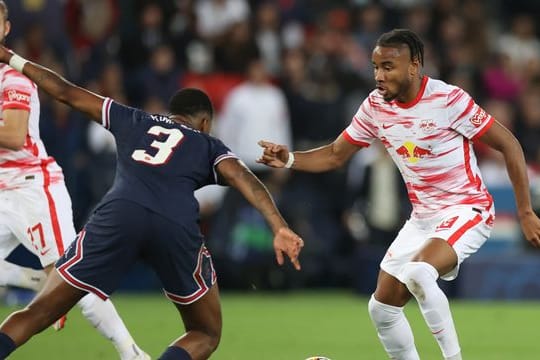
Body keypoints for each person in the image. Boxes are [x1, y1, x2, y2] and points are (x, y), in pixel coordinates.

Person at [0, 46, 303, 360]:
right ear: (204, 123)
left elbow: (65, 91)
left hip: (120, 212)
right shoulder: (207, 143)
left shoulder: (134, 119)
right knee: (205, 333)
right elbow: (245, 179)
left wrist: (11, 57)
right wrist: (278, 226)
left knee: (35, 314)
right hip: (174, 223)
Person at [257, 29, 540, 360]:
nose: (379, 76)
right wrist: (289, 159)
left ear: (414, 65)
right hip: (422, 220)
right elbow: (336, 154)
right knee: (381, 308)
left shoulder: (448, 100)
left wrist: (524, 211)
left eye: (388, 67)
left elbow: (509, 144)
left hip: (467, 209)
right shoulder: (376, 107)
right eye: (375, 67)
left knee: (419, 274)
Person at [0, 1, 150, 359]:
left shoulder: (13, 78)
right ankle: (39, 281)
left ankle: (131, 352)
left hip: (31, 188)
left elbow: (14, 135)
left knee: (75, 278)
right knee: (61, 278)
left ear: (5, 29)